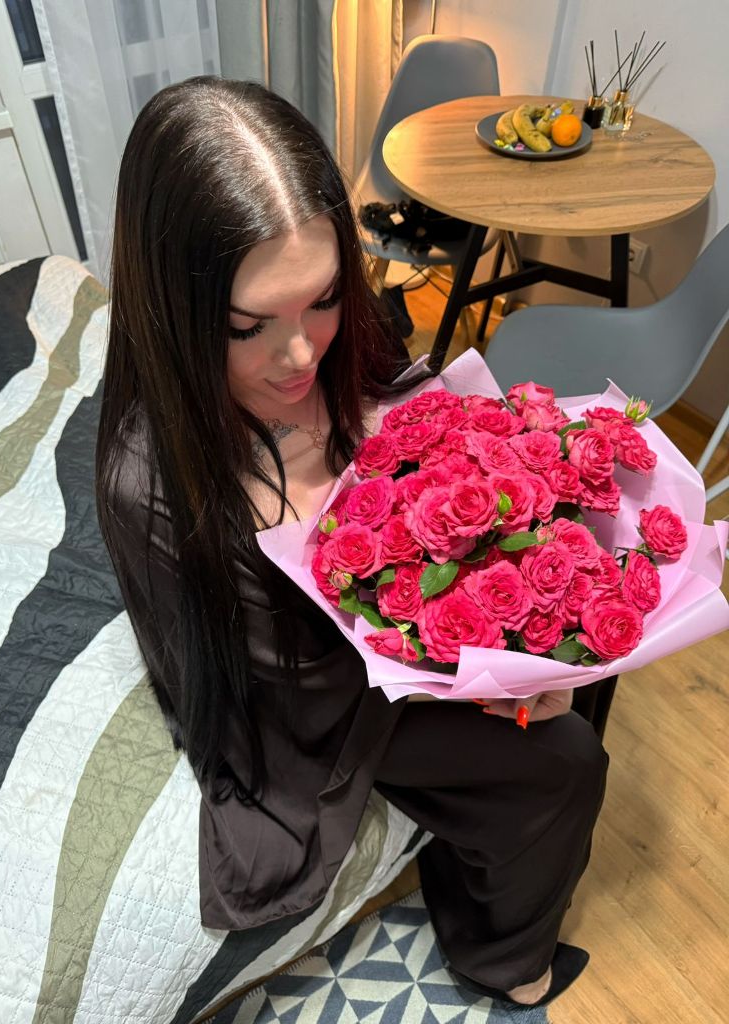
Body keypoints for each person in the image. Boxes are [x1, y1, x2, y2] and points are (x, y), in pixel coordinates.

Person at [96, 76, 608, 1009]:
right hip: (312, 687)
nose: (301, 356)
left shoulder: (340, 350)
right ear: (175, 307)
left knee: (588, 646)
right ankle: (506, 965)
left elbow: (400, 408)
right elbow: (275, 688)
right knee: (564, 765)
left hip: (397, 643)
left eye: (323, 300)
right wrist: (466, 669)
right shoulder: (151, 483)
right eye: (248, 327)